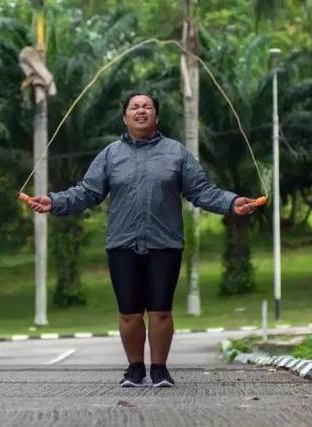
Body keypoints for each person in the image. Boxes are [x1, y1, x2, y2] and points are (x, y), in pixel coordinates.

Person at [25, 92, 260, 387]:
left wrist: (231, 202)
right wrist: (54, 202)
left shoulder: (176, 153)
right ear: (124, 117)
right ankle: (135, 369)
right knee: (129, 313)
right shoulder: (110, 155)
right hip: (122, 244)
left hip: (165, 244)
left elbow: (201, 190)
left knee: (161, 310)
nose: (141, 110)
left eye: (147, 106)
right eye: (134, 107)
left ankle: (159, 369)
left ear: (156, 116)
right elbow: (87, 192)